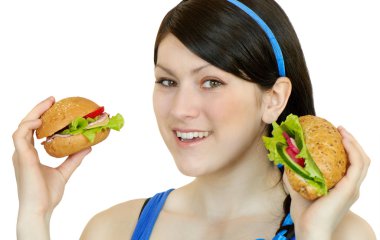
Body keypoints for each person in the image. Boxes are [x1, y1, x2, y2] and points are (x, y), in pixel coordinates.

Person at [12, 0, 376, 239]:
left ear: (273, 99)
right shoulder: (113, 230)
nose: (181, 108)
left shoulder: (342, 235)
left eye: (211, 82)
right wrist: (35, 214)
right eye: (167, 81)